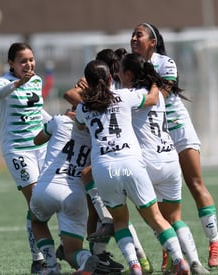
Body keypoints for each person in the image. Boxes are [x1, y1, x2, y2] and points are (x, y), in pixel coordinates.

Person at [75, 59, 190, 275]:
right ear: (111, 78)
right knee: (156, 218)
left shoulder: (83, 107)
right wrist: (155, 81)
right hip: (131, 164)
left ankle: (135, 266)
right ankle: (179, 261)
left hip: (104, 169)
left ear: (87, 82)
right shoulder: (125, 96)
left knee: (120, 220)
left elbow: (80, 122)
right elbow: (153, 98)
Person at [130, 23, 218, 269]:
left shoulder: (165, 63)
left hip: (177, 129)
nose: (133, 38)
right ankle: (169, 250)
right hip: (153, 135)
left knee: (195, 182)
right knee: (161, 198)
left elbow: (157, 97)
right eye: (132, 34)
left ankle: (214, 241)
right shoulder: (129, 66)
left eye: (138, 34)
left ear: (152, 41)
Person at [64, 48, 154, 273]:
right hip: (109, 153)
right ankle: (101, 255)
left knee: (115, 212)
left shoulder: (120, 90)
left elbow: (77, 102)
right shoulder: (104, 87)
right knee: (101, 207)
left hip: (121, 151)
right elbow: (69, 94)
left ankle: (134, 255)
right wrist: (90, 103)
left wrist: (89, 104)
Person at [120, 52, 210, 274]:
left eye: (120, 71)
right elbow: (152, 95)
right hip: (170, 159)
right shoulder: (159, 94)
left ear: (129, 74)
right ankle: (195, 262)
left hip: (147, 163)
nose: (118, 75)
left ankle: (169, 260)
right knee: (175, 218)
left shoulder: (128, 96)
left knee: (154, 219)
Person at [0, 42, 51, 274]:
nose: (28, 64)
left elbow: (37, 112)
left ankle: (56, 251)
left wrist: (58, 122)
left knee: (51, 198)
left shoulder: (37, 81)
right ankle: (38, 259)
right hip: (18, 149)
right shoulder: (4, 82)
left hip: (41, 146)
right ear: (11, 64)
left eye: (31, 59)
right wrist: (18, 83)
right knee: (36, 202)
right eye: (23, 61)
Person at [29, 110, 101, 275]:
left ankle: (52, 266)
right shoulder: (96, 131)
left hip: (47, 187)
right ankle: (84, 259)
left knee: (37, 222)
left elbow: (37, 140)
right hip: (75, 194)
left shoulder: (61, 121)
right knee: (71, 252)